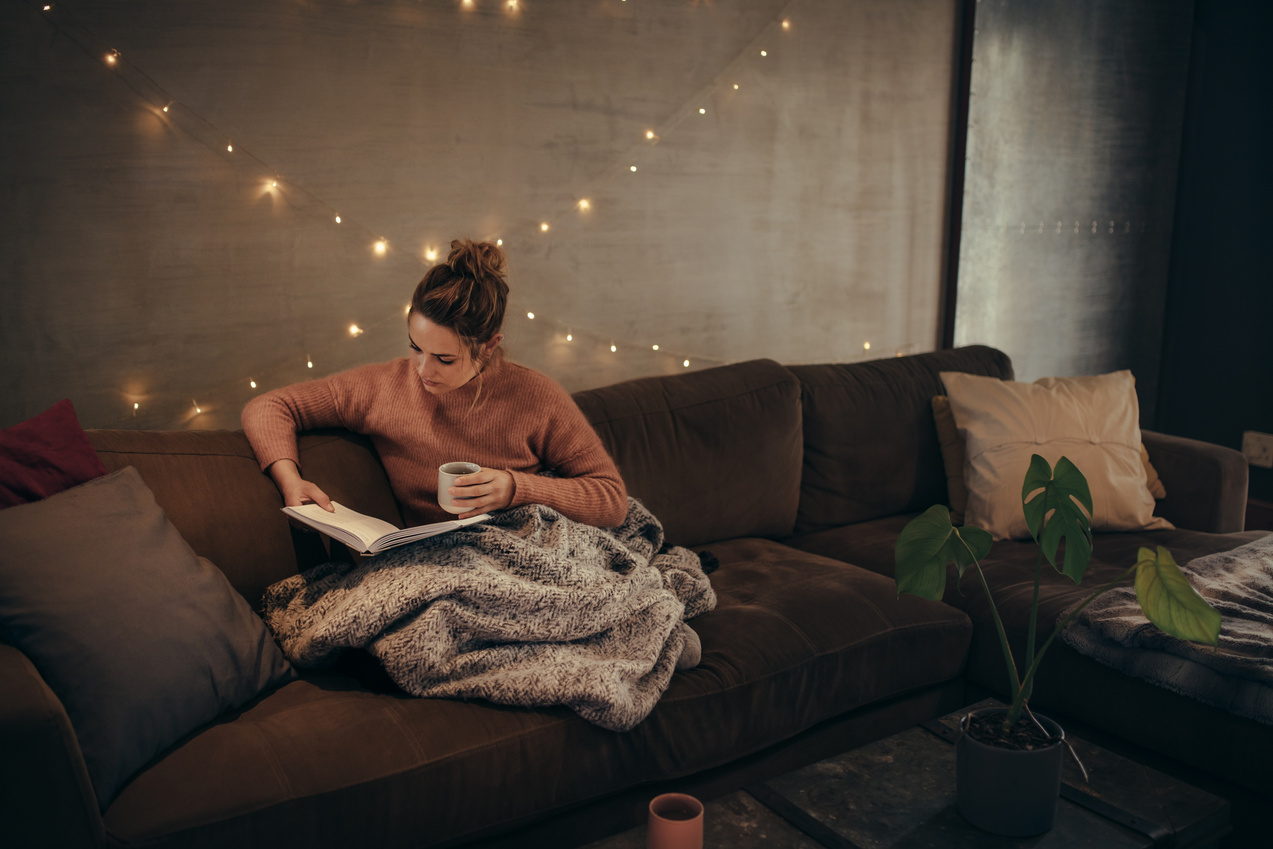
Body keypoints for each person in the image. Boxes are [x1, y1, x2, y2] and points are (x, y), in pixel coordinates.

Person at [242, 238, 628, 529]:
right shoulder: (381, 388)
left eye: (445, 359)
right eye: (416, 348)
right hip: (440, 562)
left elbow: (612, 500)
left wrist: (516, 488)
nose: (424, 370)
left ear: (489, 346)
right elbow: (270, 407)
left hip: (530, 547)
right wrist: (290, 481)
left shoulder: (537, 397)